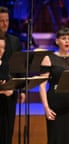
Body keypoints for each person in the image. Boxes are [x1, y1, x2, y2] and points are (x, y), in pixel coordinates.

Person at [39, 26, 69, 144]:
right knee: (55, 138)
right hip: (55, 106)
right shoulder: (48, 59)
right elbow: (42, 85)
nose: (67, 41)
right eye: (64, 38)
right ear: (57, 41)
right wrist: (46, 108)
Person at [0, 6, 25, 144]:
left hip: (10, 93)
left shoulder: (14, 41)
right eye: (1, 21)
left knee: (8, 131)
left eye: (7, 20)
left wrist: (22, 90)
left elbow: (19, 66)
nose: (5, 24)